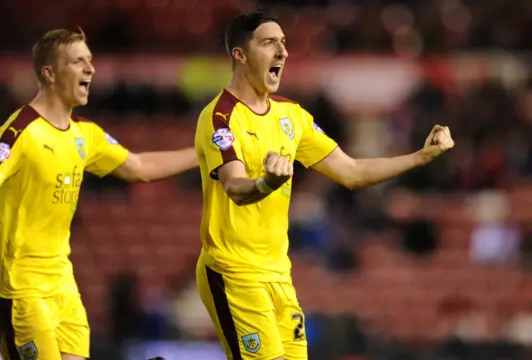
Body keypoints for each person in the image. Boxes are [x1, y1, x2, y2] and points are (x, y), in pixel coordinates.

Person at [194, 11, 454, 360]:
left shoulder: (292, 116)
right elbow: (236, 187)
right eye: (269, 43)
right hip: (234, 271)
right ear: (240, 55)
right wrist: (267, 183)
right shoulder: (220, 117)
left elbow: (351, 171)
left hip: (278, 273)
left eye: (284, 43)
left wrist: (420, 157)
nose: (283, 52)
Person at [0, 28, 197, 360]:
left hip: (62, 283)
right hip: (19, 287)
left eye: (90, 61)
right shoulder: (22, 130)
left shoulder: (86, 135)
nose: (90, 69)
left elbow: (140, 166)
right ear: (49, 72)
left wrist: (202, 153)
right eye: (78, 62)